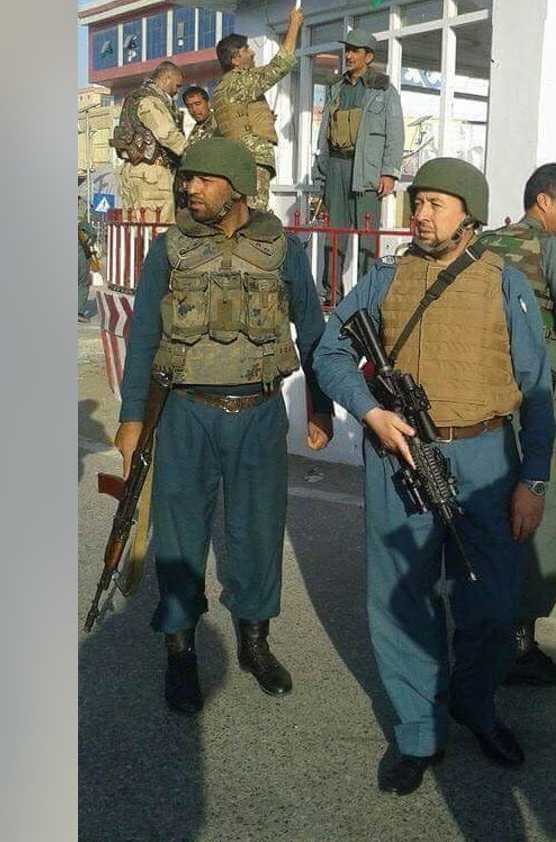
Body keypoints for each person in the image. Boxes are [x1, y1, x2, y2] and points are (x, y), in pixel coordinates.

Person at [314, 158, 555, 796]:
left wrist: (533, 482)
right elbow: (330, 351)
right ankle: (419, 731)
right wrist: (370, 411)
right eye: (417, 202)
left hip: (485, 459)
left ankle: (475, 703)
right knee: (400, 596)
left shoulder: (506, 284)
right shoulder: (384, 279)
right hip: (400, 455)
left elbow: (537, 392)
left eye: (437, 204)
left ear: (468, 215)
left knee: (494, 601)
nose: (421, 213)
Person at [114, 138, 335, 715]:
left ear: (236, 187)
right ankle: (180, 649)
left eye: (204, 181)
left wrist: (320, 406)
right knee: (181, 535)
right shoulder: (169, 249)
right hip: (184, 413)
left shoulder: (282, 250)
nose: (190, 189)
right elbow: (142, 337)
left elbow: (312, 332)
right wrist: (132, 417)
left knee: (258, 532)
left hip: (258, 413)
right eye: (188, 179)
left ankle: (254, 643)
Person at [477, 163, 556, 686]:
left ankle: (477, 629)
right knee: (540, 513)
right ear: (545, 201)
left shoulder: (483, 245)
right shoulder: (555, 252)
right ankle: (518, 645)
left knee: (485, 509)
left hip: (481, 401)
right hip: (536, 403)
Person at [315, 28, 403, 292]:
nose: (349, 55)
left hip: (367, 171)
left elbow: (395, 133)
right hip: (336, 167)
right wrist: (322, 171)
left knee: (367, 237)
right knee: (333, 235)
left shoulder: (383, 89)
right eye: (347, 50)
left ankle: (367, 294)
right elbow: (325, 133)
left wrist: (389, 173)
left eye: (355, 51)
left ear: (369, 57)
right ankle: (331, 294)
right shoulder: (335, 88)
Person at [198, 5, 304, 211]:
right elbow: (281, 64)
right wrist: (294, 25)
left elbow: (229, 124)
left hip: (236, 159)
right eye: (247, 49)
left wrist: (260, 119)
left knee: (238, 214)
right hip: (252, 159)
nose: (253, 52)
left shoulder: (222, 87)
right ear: (236, 59)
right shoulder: (241, 80)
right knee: (253, 217)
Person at [112, 61, 189, 221]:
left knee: (135, 233)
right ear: (166, 78)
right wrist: (193, 155)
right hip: (151, 174)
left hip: (133, 171)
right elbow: (167, 135)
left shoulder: (134, 97)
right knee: (157, 230)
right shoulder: (150, 100)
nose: (177, 91)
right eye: (177, 85)